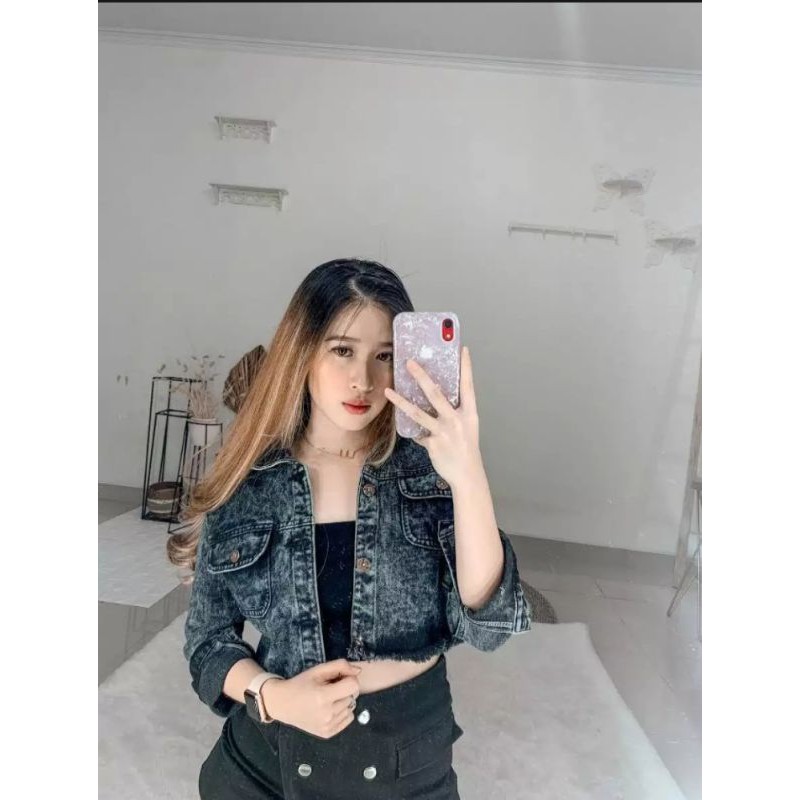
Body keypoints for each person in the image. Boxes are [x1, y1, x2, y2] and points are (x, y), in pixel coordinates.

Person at [167, 258, 533, 799]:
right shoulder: (249, 482)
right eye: (342, 350)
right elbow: (208, 641)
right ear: (303, 352)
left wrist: (468, 473)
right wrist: (272, 696)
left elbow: (490, 628)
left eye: (384, 355)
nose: (364, 379)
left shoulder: (429, 470)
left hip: (408, 769)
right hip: (266, 770)